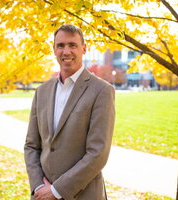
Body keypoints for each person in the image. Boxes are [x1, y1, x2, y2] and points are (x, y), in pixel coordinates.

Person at [24, 24, 115, 200]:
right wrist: (38, 186)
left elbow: (98, 153)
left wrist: (56, 191)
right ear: (54, 49)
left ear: (84, 49)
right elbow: (31, 145)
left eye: (72, 45)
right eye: (61, 45)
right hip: (42, 194)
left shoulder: (101, 90)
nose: (66, 51)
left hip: (84, 195)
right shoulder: (41, 91)